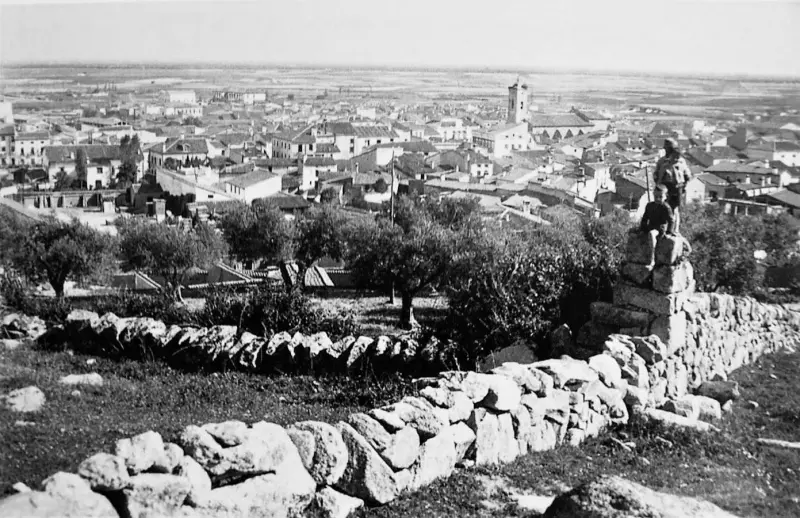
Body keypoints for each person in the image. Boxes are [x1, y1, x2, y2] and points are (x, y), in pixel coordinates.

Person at [653, 138, 692, 234]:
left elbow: (688, 175)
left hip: (676, 188)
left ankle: (674, 230)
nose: (668, 150)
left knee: (674, 210)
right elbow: (656, 174)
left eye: (670, 148)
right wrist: (658, 184)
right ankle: (662, 228)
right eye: (667, 148)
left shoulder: (681, 161)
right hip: (664, 188)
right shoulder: (662, 161)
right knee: (661, 208)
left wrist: (683, 185)